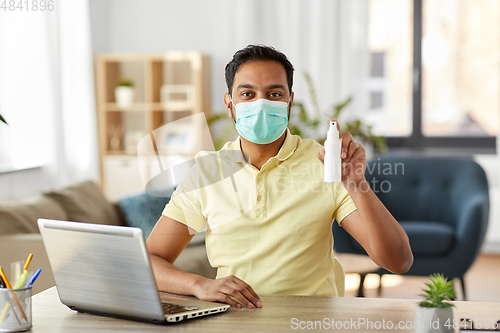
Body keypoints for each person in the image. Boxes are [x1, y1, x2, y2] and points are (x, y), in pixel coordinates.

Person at [146, 45, 413, 309]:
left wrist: (356, 184)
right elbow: (151, 259)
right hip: (235, 320)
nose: (261, 104)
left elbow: (398, 261)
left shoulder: (325, 164)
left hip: (311, 323)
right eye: (247, 94)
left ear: (289, 102)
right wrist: (199, 285)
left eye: (274, 93)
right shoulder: (205, 171)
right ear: (230, 104)